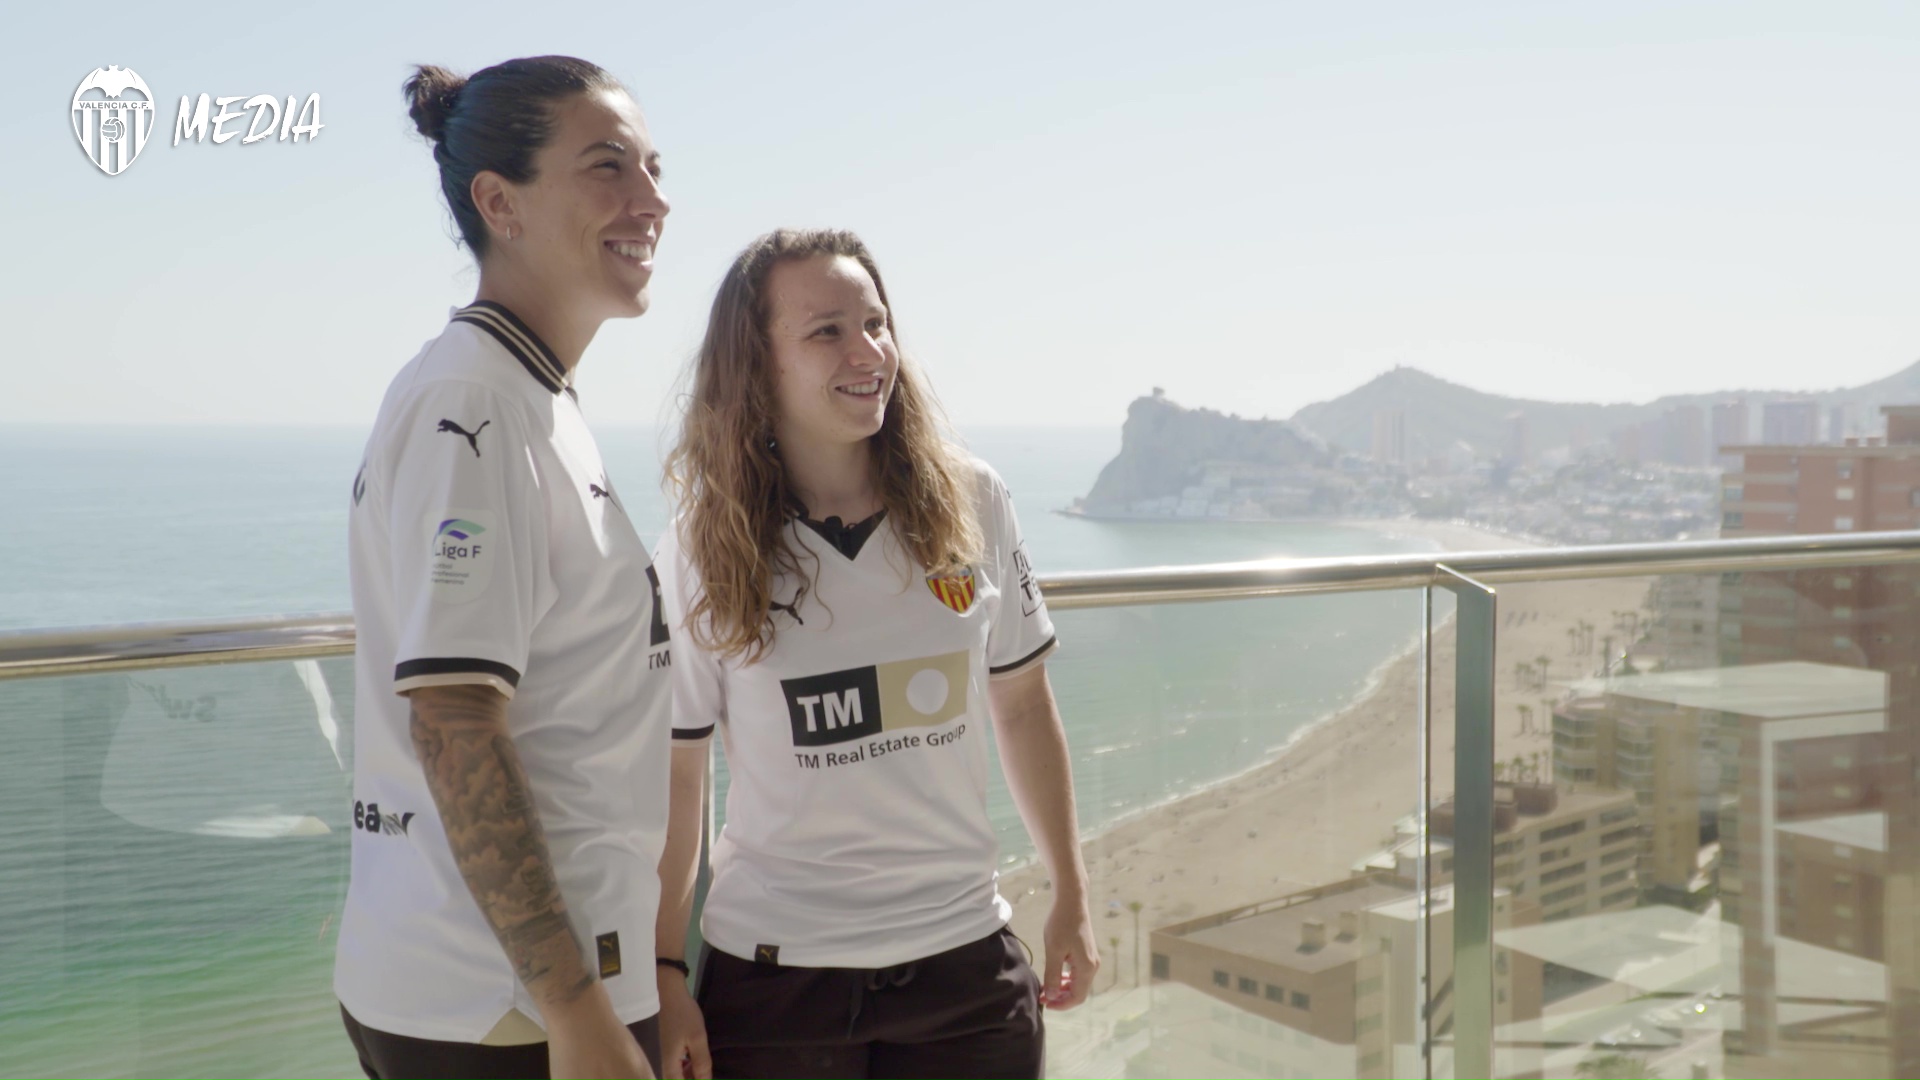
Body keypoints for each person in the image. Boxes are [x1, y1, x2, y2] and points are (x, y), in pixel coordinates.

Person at [654, 228, 1098, 1080]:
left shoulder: (973, 499)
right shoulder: (702, 547)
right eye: (827, 331)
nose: (869, 352)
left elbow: (1023, 703)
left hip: (965, 966)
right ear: (758, 363)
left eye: (877, 323)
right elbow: (680, 773)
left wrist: (1071, 895)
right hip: (777, 984)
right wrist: (667, 969)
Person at [336, 56, 673, 1080]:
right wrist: (576, 1016)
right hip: (503, 1009)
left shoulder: (530, 398)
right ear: (500, 202)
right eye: (608, 168)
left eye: (655, 167)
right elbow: (455, 724)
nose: (653, 200)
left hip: (525, 993)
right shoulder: (475, 407)